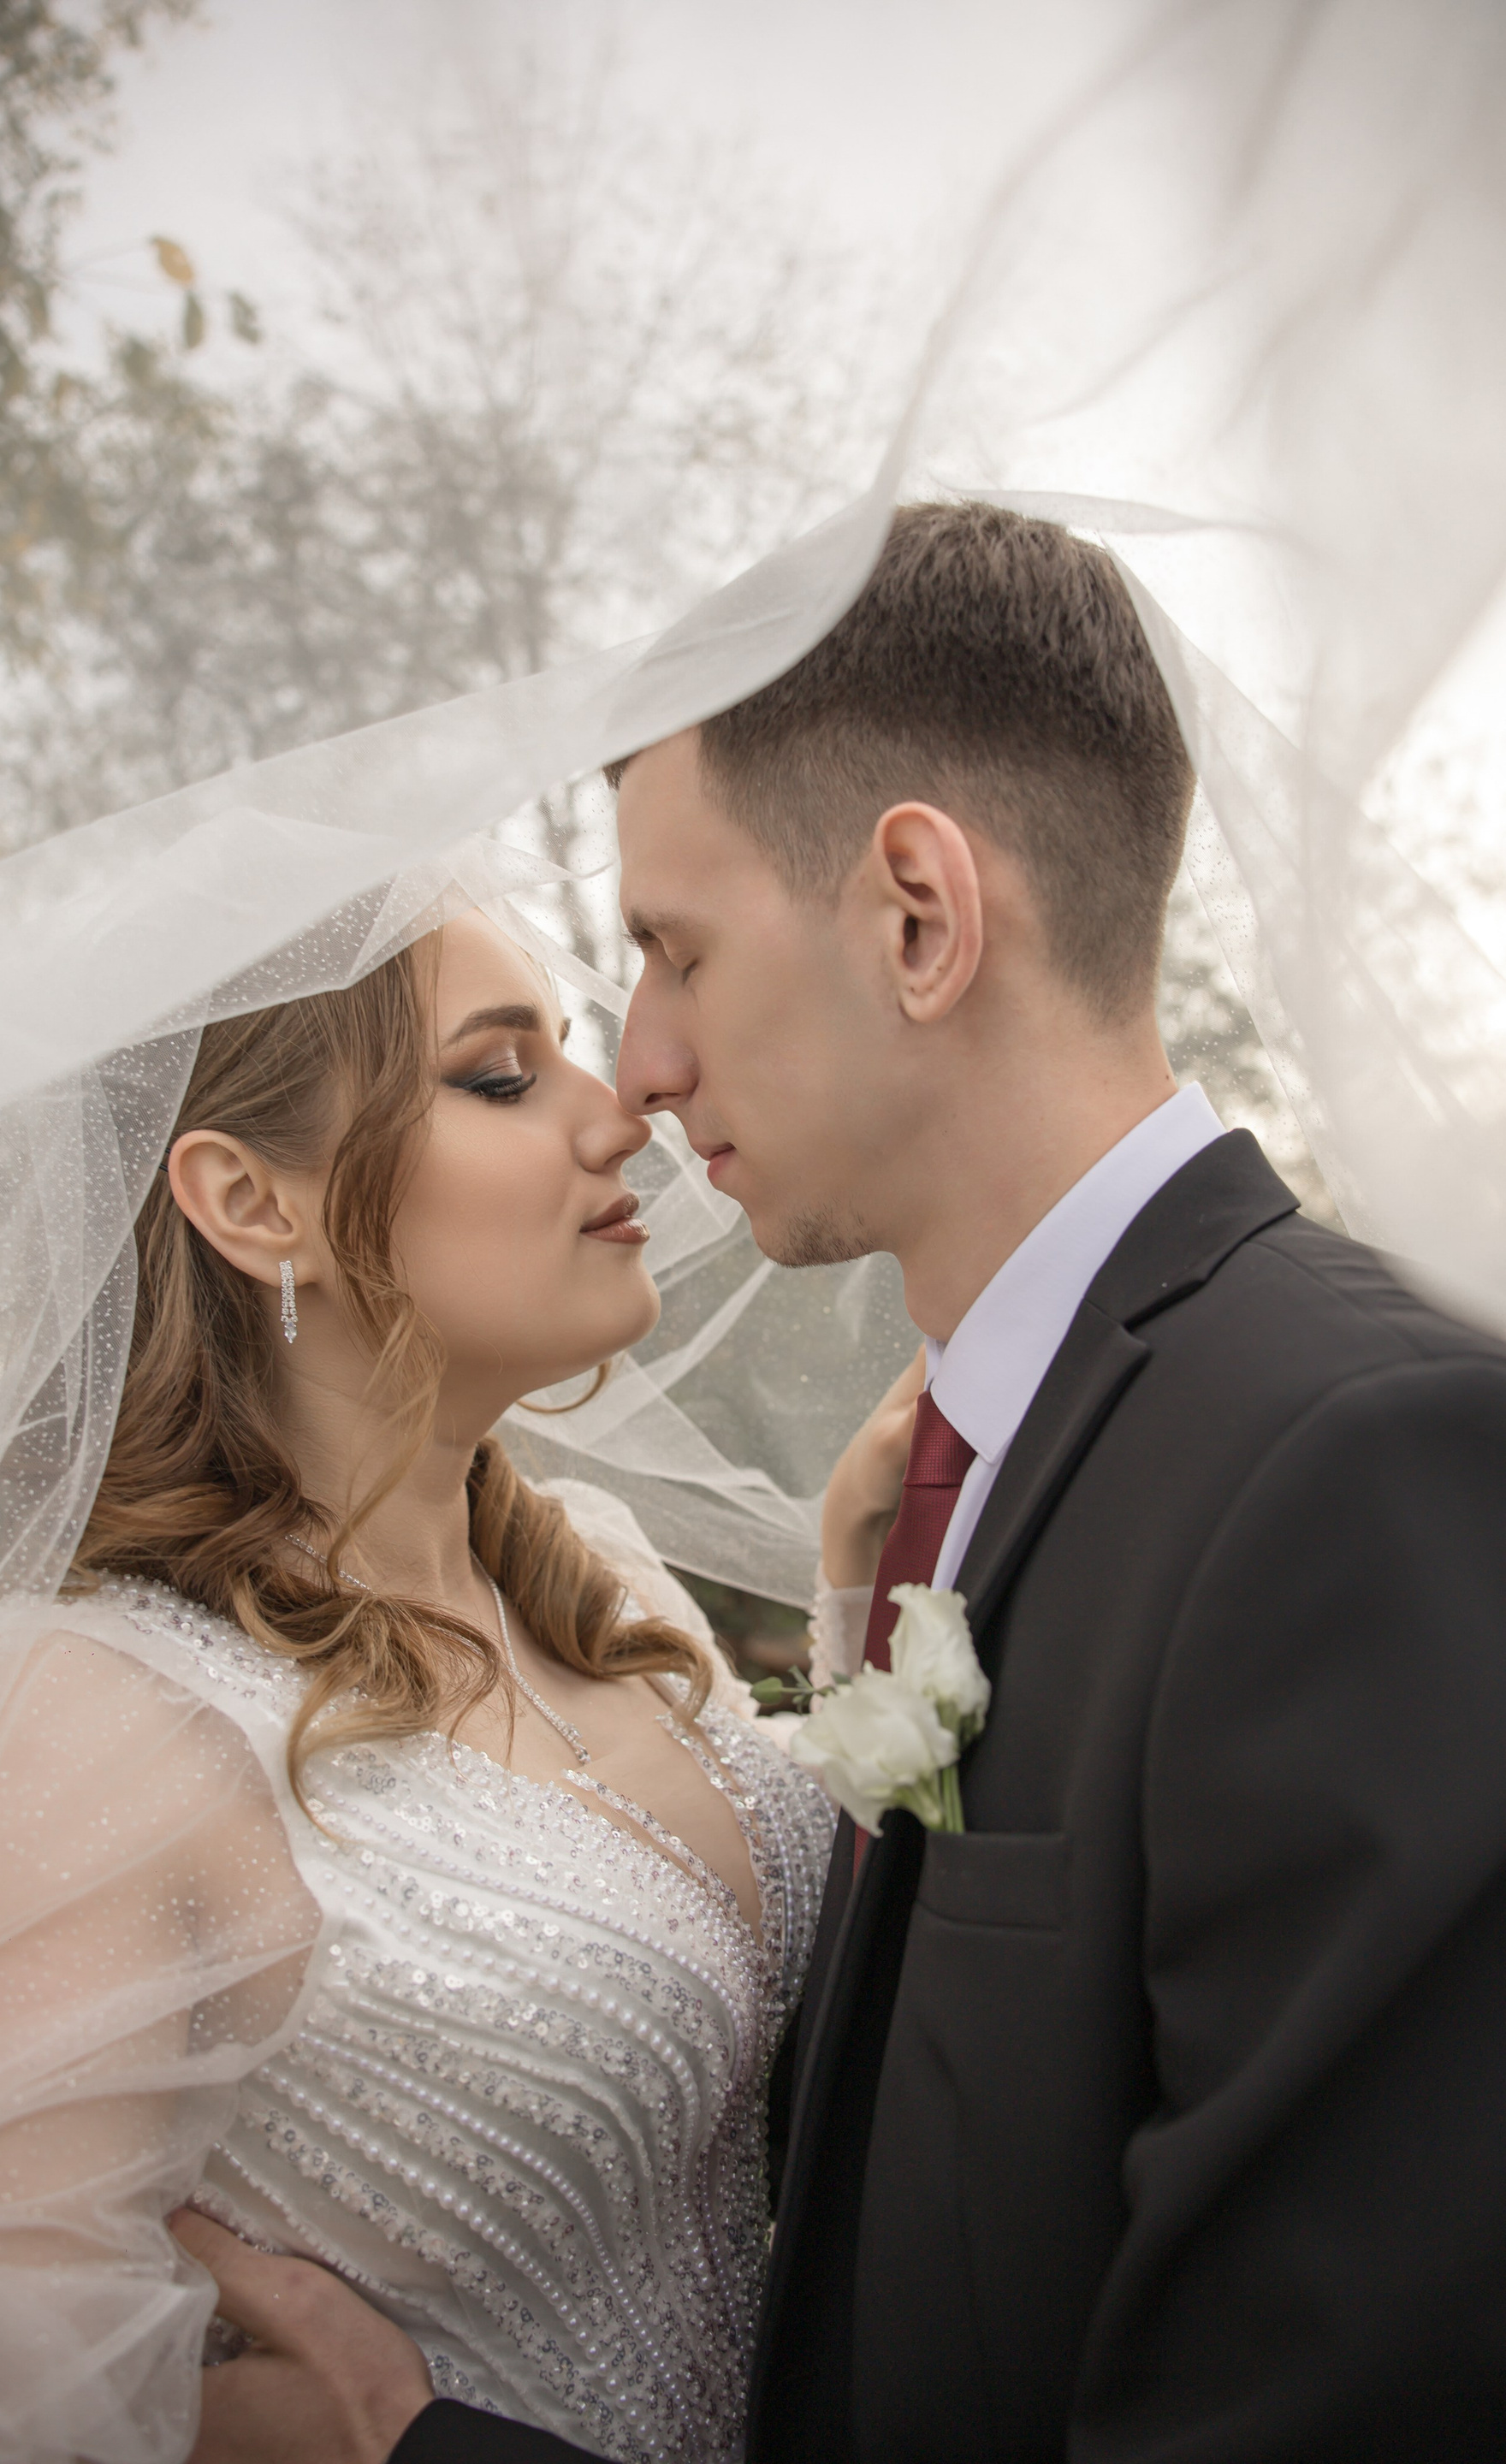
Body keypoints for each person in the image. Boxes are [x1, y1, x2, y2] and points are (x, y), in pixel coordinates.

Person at [200, 499, 1506, 2462]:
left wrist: (413, 2449)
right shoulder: (982, 1473)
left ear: (917, 915)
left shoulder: (1354, 1464)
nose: (639, 1068)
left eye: (674, 952)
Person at [0, 908, 836, 2461]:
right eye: (501, 1078)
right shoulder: (85, 1725)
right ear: (252, 1201)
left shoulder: (605, 1583)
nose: (619, 1118)